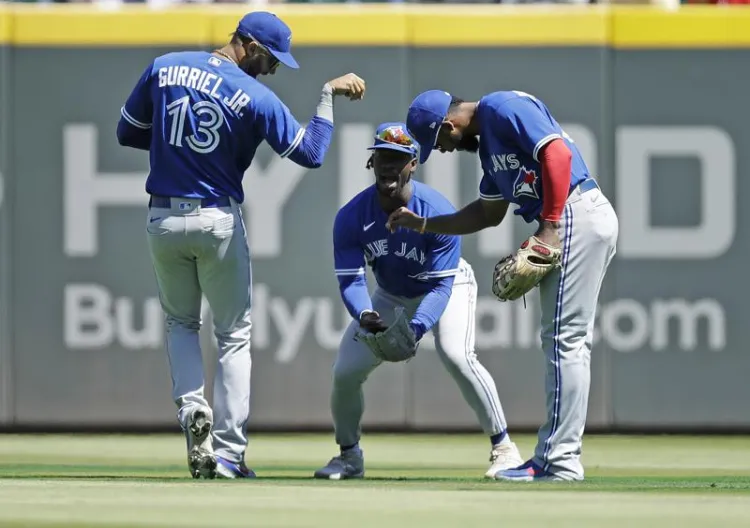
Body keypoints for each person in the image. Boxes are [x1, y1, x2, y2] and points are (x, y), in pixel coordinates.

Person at [116, 10, 365, 480]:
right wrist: (327, 96)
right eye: (270, 58)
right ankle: (229, 452)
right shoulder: (255, 95)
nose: (273, 68)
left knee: (180, 323)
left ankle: (193, 408)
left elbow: (127, 131)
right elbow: (311, 153)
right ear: (247, 45)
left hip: (164, 215)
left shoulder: (165, 66)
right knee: (232, 334)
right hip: (217, 217)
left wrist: (179, 147)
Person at [387, 90, 618, 482]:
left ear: (448, 125)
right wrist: (423, 224)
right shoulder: (489, 151)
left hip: (575, 215)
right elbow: (487, 214)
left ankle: (559, 461)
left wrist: (549, 226)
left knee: (565, 340)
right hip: (572, 219)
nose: (441, 151)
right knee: (564, 339)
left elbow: (558, 154)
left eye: (438, 143)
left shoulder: (502, 107)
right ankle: (556, 456)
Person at [314, 122, 523, 481]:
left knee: (457, 354)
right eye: (383, 156)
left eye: (399, 158)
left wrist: (415, 328)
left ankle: (505, 448)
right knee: (345, 372)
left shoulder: (435, 208)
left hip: (447, 284)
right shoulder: (351, 217)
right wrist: (364, 312)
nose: (390, 166)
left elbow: (440, 289)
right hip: (391, 294)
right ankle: (349, 456)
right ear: (371, 162)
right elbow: (351, 279)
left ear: (414, 164)